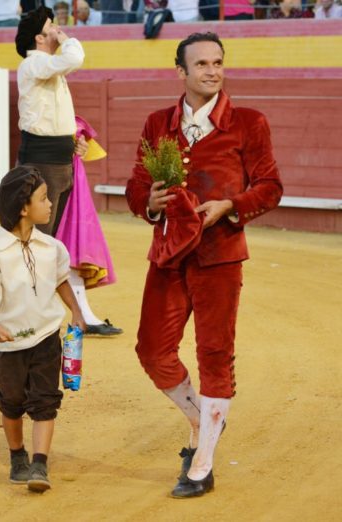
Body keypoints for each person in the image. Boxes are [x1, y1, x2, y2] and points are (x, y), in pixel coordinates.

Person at [125, 32, 283, 498]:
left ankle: (203, 462)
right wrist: (149, 202)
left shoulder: (249, 122)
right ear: (181, 72)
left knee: (215, 354)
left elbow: (270, 187)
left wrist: (229, 205)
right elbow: (137, 186)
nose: (212, 71)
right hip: (169, 254)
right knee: (152, 351)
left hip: (220, 256)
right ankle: (200, 419)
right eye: (201, 64)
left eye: (218, 62)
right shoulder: (158, 123)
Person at [0, 165, 85, 493]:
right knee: (12, 400)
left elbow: (61, 280)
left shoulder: (51, 248)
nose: (50, 204)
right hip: (10, 344)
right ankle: (17, 455)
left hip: (47, 336)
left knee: (45, 399)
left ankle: (40, 463)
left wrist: (76, 312)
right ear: (23, 208)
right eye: (43, 198)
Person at [15, 5, 122, 337]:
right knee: (38, 244)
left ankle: (82, 315)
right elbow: (74, 57)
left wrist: (73, 143)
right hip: (43, 165)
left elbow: (55, 117)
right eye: (52, 26)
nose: (58, 29)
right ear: (39, 36)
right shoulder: (34, 63)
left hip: (60, 163)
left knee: (61, 245)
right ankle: (26, 315)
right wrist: (67, 38)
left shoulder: (48, 70)